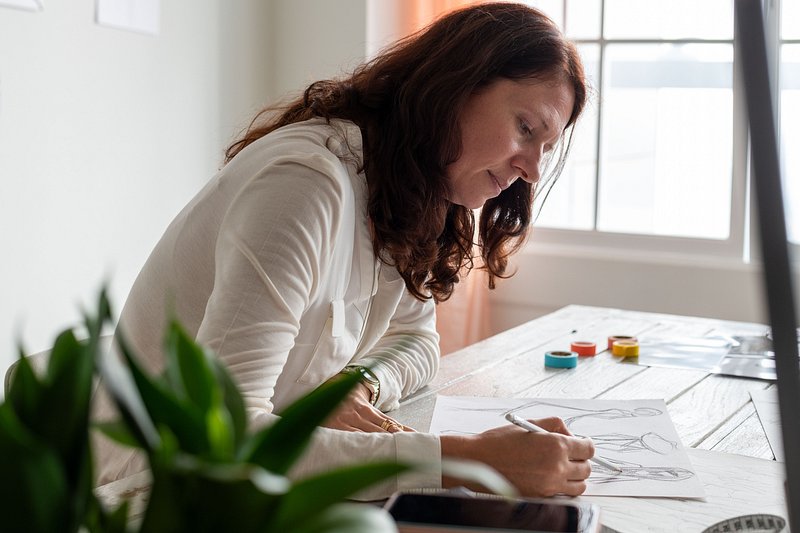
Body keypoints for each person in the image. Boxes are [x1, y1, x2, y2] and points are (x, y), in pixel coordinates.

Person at [95, 2, 595, 500]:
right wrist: (469, 460)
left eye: (546, 148)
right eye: (526, 129)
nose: (531, 169)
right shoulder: (304, 186)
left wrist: (357, 385)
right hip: (150, 487)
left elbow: (417, 341)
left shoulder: (411, 187)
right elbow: (220, 444)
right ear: (455, 86)